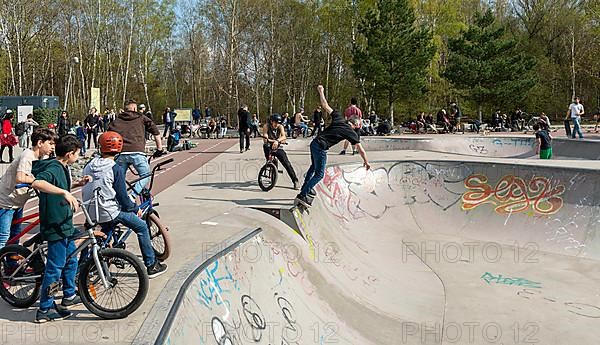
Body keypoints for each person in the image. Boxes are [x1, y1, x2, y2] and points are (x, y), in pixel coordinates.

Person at [82, 131, 167, 278]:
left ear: (100, 147)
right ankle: (151, 265)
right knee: (140, 227)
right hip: (108, 211)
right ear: (119, 149)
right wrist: (134, 208)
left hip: (90, 210)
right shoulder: (115, 168)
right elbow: (122, 197)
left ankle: (89, 262)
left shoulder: (89, 165)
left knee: (102, 229)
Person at [31, 134, 91, 322]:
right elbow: (38, 182)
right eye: (78, 155)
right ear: (70, 153)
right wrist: (65, 192)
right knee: (55, 267)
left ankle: (68, 294)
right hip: (55, 225)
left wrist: (76, 184)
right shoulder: (53, 168)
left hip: (65, 223)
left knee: (71, 259)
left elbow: (59, 185)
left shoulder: (63, 167)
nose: (78, 158)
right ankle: (44, 309)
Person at [296, 85, 370, 207]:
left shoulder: (339, 118)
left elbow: (325, 105)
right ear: (356, 124)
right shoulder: (351, 132)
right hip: (321, 148)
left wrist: (321, 91)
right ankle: (303, 194)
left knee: (313, 166)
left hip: (314, 143)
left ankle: (306, 187)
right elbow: (360, 150)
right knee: (320, 174)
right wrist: (366, 162)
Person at [0, 129, 57, 248]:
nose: (53, 147)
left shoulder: (41, 158)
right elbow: (20, 177)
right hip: (6, 201)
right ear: (40, 143)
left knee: (15, 234)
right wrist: (37, 182)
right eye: (51, 144)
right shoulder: (28, 155)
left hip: (18, 201)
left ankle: (11, 264)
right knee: (4, 236)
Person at [108, 99, 165, 196]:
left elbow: (108, 136)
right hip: (137, 152)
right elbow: (156, 132)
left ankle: (119, 199)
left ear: (124, 109)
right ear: (135, 108)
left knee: (119, 178)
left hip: (121, 153)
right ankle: (132, 196)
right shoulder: (141, 118)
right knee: (146, 175)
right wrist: (159, 149)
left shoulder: (116, 121)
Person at [262, 114, 299, 189]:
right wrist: (266, 137)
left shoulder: (280, 126)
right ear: (271, 121)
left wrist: (277, 141)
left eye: (278, 123)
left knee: (286, 163)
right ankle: (270, 165)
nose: (277, 124)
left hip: (278, 145)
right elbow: (265, 137)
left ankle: (295, 180)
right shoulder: (266, 126)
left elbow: (283, 136)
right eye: (275, 122)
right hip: (269, 145)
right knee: (267, 150)